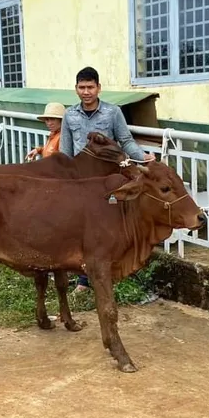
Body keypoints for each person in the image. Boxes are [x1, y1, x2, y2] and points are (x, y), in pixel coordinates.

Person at [60, 66, 155, 292]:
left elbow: (125, 140)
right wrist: (63, 177)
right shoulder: (69, 115)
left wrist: (142, 157)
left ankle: (108, 271)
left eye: (90, 87)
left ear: (98, 88)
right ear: (76, 89)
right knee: (80, 228)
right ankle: (83, 276)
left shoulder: (113, 112)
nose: (86, 92)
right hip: (80, 182)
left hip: (108, 180)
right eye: (82, 87)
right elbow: (65, 151)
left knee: (106, 227)